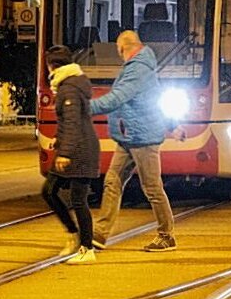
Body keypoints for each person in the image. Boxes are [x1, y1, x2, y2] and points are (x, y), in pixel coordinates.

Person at [91, 31, 180, 253]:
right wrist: (172, 124)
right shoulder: (141, 66)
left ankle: (166, 235)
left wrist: (86, 107)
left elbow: (118, 97)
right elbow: (156, 99)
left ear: (123, 48)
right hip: (129, 136)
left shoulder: (137, 68)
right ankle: (100, 234)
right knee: (112, 181)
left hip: (143, 137)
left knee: (152, 187)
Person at [41, 45, 99, 265]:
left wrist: (64, 152)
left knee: (78, 199)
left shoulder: (70, 89)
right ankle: (74, 234)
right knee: (49, 191)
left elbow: (74, 122)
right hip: (74, 147)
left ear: (53, 65)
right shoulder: (69, 85)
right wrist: (58, 137)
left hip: (80, 151)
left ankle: (87, 247)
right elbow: (69, 121)